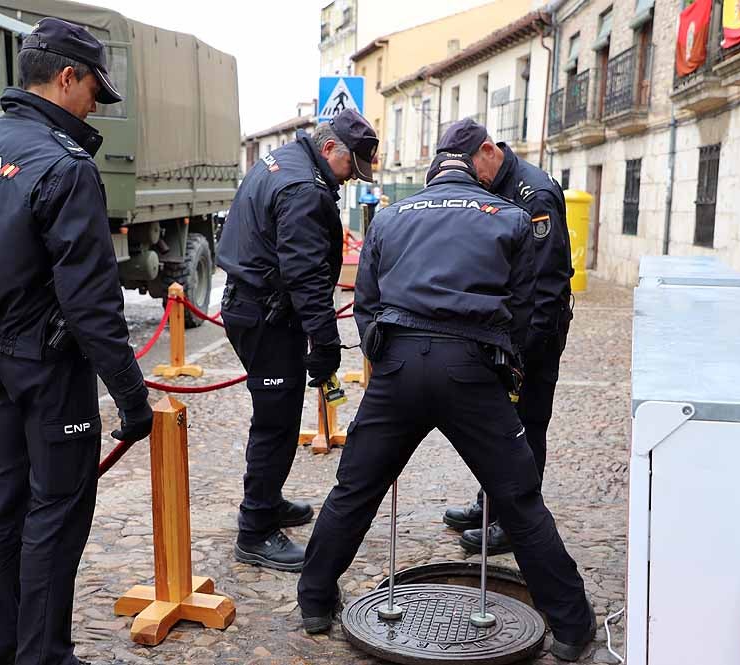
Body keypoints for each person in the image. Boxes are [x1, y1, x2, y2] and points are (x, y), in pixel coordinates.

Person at [296, 153, 596, 661]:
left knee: (353, 490)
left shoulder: (390, 216)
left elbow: (365, 298)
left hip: (398, 367)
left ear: (431, 177)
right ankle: (571, 626)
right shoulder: (510, 217)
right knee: (520, 500)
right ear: (477, 176)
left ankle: (315, 601)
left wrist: (382, 352)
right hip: (471, 367)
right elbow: (523, 305)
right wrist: (507, 368)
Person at [0, 18, 150, 665]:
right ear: (66, 78)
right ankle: (41, 657)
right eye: (95, 89)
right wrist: (132, 396)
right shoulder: (67, 168)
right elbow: (93, 304)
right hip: (48, 367)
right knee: (54, 517)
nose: (97, 104)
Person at [215, 109, 379, 572]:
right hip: (266, 314)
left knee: (278, 417)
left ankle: (268, 500)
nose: (350, 180)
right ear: (331, 150)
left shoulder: (284, 159)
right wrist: (325, 346)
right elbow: (305, 276)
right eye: (351, 168)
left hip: (252, 303)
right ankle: (256, 530)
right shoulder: (305, 188)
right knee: (276, 422)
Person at [437, 119, 574, 556]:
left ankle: (517, 525)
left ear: (487, 150)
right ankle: (490, 505)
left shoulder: (534, 194)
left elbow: (547, 286)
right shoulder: (494, 188)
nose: (472, 180)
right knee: (500, 425)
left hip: (534, 334)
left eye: (473, 169)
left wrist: (525, 352)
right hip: (503, 331)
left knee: (528, 425)